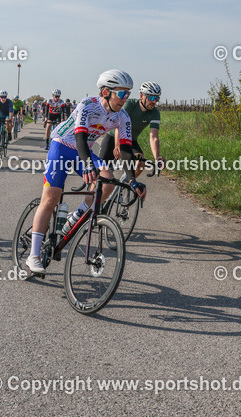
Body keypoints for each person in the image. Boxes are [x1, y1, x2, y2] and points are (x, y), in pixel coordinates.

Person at [25, 70, 145, 274]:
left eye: (128, 94)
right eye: (122, 94)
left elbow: (125, 149)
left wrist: (133, 180)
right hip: (62, 146)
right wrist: (88, 164)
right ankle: (33, 255)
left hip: (84, 151)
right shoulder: (87, 105)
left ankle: (77, 214)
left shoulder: (122, 116)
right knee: (51, 197)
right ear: (106, 92)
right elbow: (80, 135)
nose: (126, 99)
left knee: (107, 179)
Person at [95, 81, 164, 180]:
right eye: (152, 98)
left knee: (141, 163)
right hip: (113, 137)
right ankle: (94, 192)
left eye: (157, 98)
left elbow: (154, 137)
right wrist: (117, 145)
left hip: (131, 140)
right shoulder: (130, 104)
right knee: (100, 170)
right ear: (142, 96)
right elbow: (120, 125)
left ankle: (124, 186)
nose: (154, 101)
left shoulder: (155, 113)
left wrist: (157, 158)